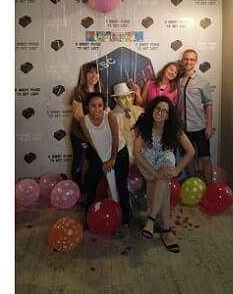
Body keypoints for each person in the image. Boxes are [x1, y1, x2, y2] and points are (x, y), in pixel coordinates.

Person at [133, 96, 195, 253]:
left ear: (168, 115)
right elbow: (136, 153)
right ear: (152, 109)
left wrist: (177, 170)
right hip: (147, 162)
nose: (160, 113)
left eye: (164, 111)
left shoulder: (174, 129)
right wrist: (153, 173)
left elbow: (191, 151)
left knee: (164, 175)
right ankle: (165, 230)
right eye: (157, 109)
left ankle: (152, 220)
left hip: (165, 159)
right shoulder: (144, 124)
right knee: (160, 189)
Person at [80, 92, 132, 226]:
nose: (97, 109)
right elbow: (92, 142)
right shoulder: (83, 121)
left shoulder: (110, 116)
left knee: (121, 185)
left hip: (119, 152)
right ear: (87, 106)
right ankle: (88, 216)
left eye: (100, 105)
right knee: (92, 183)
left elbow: (115, 140)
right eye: (93, 106)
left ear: (103, 106)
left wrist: (112, 159)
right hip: (101, 153)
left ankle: (126, 217)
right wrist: (102, 160)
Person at [177, 49, 214, 183]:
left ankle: (209, 187)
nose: (189, 62)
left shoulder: (203, 82)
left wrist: (208, 126)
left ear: (196, 61)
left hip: (199, 126)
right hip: (183, 129)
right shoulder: (178, 80)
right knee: (188, 158)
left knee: (205, 158)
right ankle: (193, 183)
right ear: (182, 60)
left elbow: (208, 104)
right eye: (186, 59)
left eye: (192, 59)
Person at [69, 62, 101, 195]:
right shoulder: (78, 91)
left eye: (96, 72)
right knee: (79, 163)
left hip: (95, 134)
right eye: (91, 72)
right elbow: (79, 116)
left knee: (96, 162)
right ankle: (77, 191)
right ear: (85, 75)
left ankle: (87, 188)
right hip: (80, 134)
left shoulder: (99, 91)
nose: (94, 75)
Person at [110, 82, 144, 166]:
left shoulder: (139, 110)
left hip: (142, 149)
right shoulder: (113, 117)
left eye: (129, 96)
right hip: (125, 152)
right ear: (116, 100)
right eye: (123, 98)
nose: (127, 100)